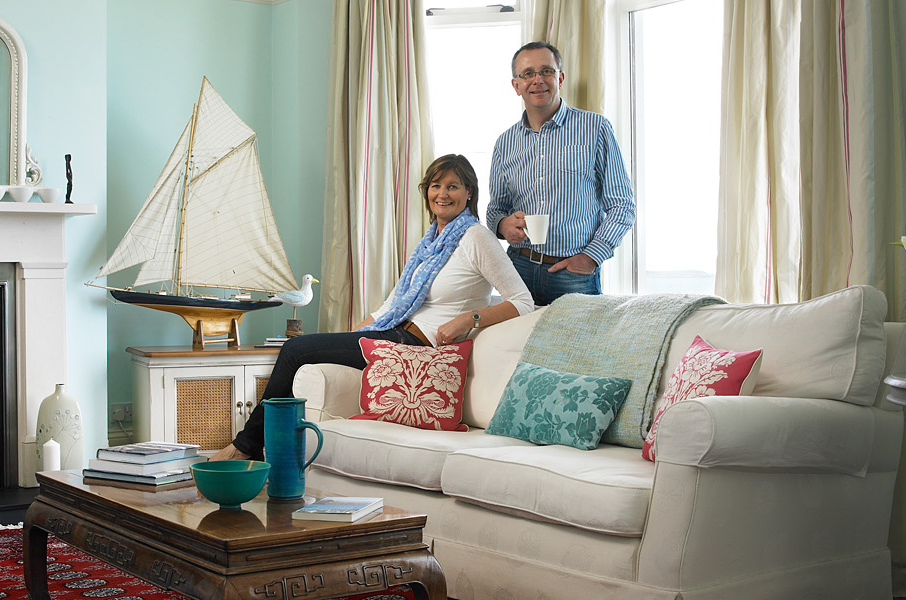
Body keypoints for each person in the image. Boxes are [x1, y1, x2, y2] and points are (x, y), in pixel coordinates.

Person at [212, 153, 534, 461]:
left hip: (417, 345)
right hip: (392, 333)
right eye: (436, 186)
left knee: (296, 350)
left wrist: (469, 319)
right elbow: (392, 305)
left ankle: (246, 445)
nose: (442, 194)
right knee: (303, 349)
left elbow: (522, 302)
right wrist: (349, 336)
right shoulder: (431, 243)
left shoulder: (476, 237)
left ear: (469, 193)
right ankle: (262, 449)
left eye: (452, 186)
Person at [485, 41, 635, 306]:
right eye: (527, 74)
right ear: (516, 85)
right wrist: (503, 225)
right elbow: (495, 209)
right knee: (516, 347)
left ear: (560, 78)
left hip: (573, 274)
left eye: (546, 71)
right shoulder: (505, 143)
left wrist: (591, 257)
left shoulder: (594, 128)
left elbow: (622, 205)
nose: (537, 80)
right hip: (517, 270)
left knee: (581, 347)